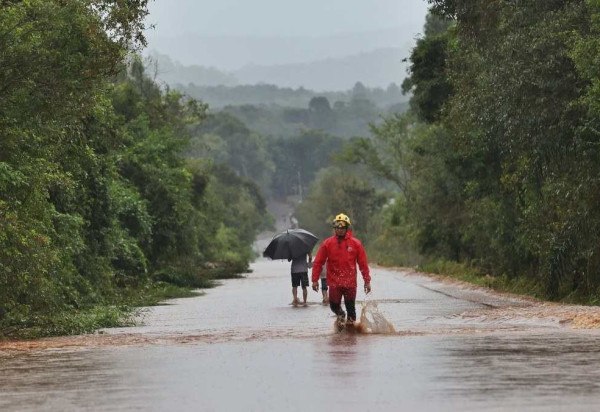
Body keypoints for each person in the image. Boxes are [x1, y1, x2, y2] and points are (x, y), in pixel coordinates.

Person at [311, 213, 371, 326]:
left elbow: (363, 264)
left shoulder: (356, 244)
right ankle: (341, 315)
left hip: (350, 283)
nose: (339, 230)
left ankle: (350, 336)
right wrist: (315, 280)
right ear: (334, 228)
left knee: (351, 310)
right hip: (334, 283)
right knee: (334, 306)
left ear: (346, 228)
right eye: (337, 227)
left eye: (342, 227)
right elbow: (318, 262)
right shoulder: (327, 244)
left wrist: (367, 281)